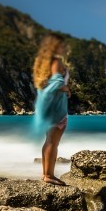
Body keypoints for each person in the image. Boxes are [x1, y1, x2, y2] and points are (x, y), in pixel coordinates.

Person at [32, 34, 71, 185]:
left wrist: (64, 88)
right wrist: (66, 87)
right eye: (61, 45)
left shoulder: (42, 63)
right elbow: (56, 82)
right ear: (54, 46)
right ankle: (49, 175)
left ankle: (46, 173)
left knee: (48, 141)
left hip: (47, 106)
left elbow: (47, 85)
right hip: (57, 109)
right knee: (53, 143)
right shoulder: (55, 62)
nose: (64, 48)